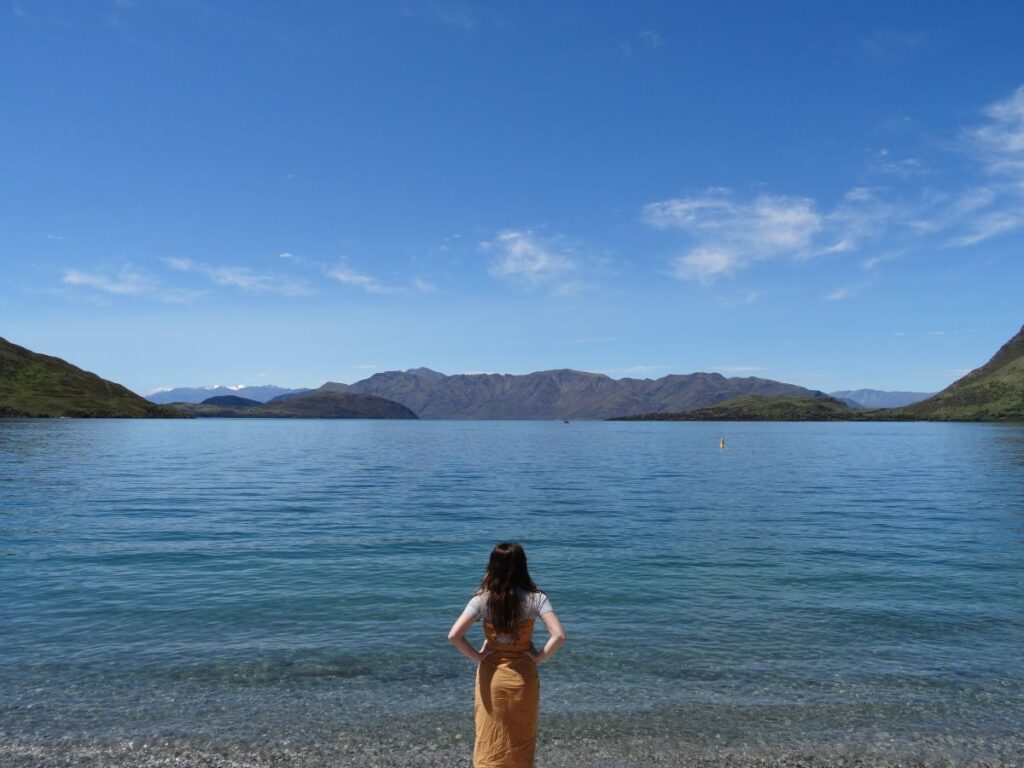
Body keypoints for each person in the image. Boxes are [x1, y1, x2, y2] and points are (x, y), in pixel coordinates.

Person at [447, 542, 567, 768]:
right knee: (521, 735)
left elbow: (454, 635)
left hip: (491, 676)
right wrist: (540, 657)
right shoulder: (537, 598)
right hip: (523, 677)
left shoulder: (482, 599)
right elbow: (559, 636)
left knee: (489, 734)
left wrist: (478, 656)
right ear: (523, 565)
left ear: (492, 566)